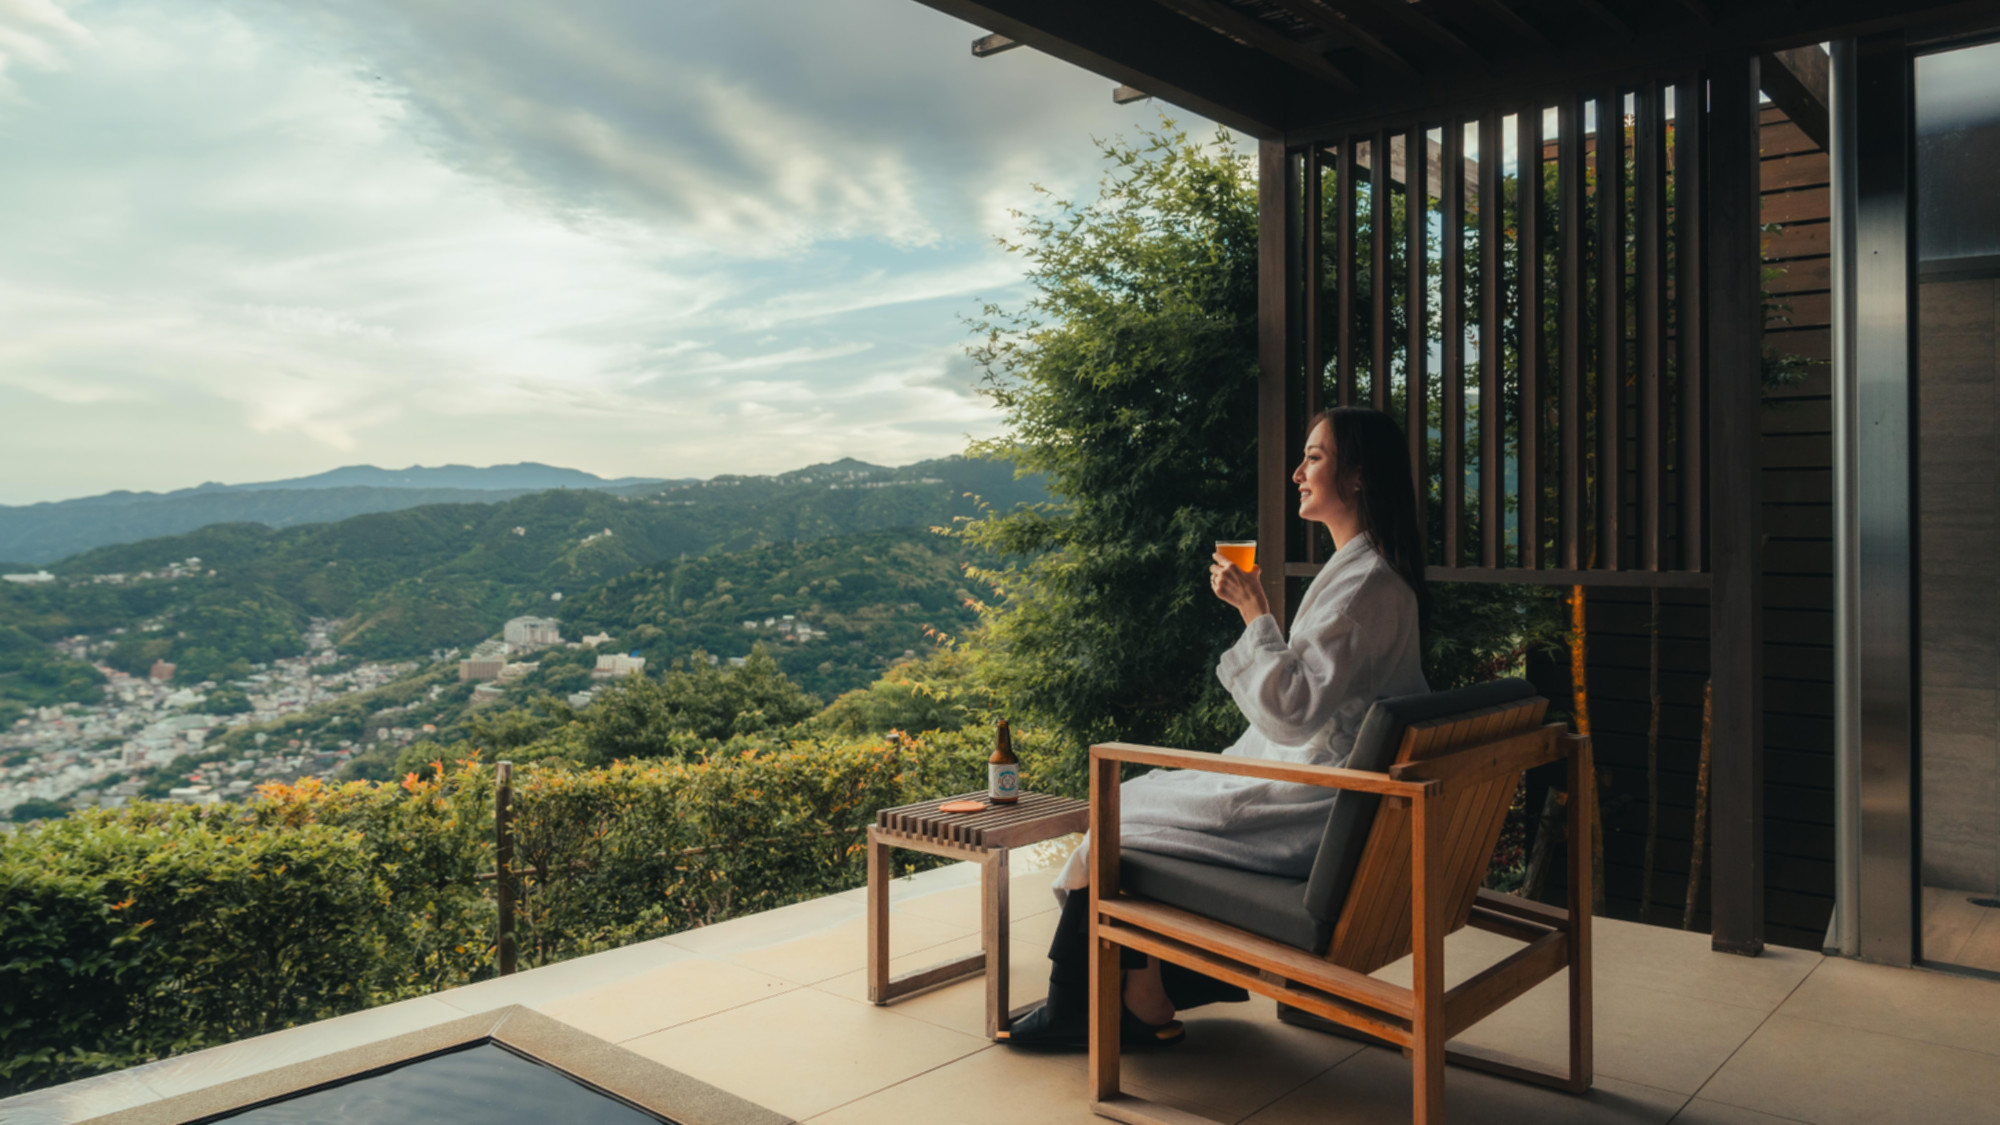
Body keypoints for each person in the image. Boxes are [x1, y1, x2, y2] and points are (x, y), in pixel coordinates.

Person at [1001, 405, 1430, 1050]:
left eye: (1314, 456)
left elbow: (1290, 714)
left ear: (1359, 477)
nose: (1296, 472)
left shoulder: (1364, 585)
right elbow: (1311, 699)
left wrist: (1255, 611)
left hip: (1316, 807)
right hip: (1337, 797)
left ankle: (1083, 1004)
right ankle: (1143, 992)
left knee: (1120, 811)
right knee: (1140, 800)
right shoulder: (1366, 574)